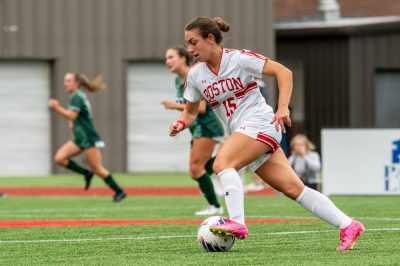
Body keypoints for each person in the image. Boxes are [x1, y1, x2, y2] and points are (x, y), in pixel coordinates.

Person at [169, 16, 364, 251]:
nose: (190, 49)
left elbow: (284, 72)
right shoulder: (195, 75)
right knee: (294, 189)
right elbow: (190, 113)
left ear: (211, 39)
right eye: (187, 43)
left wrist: (282, 107)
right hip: (245, 132)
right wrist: (180, 123)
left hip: (260, 122)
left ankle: (237, 223)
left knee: (222, 163)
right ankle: (348, 224)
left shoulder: (239, 59)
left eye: (193, 42)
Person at [162, 46, 224, 215]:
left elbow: (202, 108)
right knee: (198, 169)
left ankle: (215, 206)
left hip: (207, 126)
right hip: (195, 128)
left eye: (171, 57)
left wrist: (174, 106)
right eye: (166, 58)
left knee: (196, 169)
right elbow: (188, 109)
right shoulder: (178, 80)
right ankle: (226, 160)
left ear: (183, 58)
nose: (167, 61)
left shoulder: (194, 75)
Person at [48, 72, 126, 202]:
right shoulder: (76, 96)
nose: (64, 83)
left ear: (76, 83)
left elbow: (72, 116)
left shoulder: (77, 97)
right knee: (59, 158)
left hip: (88, 137)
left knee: (98, 168)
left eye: (68, 81)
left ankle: (120, 191)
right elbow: (76, 117)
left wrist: (56, 107)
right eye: (64, 80)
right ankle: (86, 173)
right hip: (80, 138)